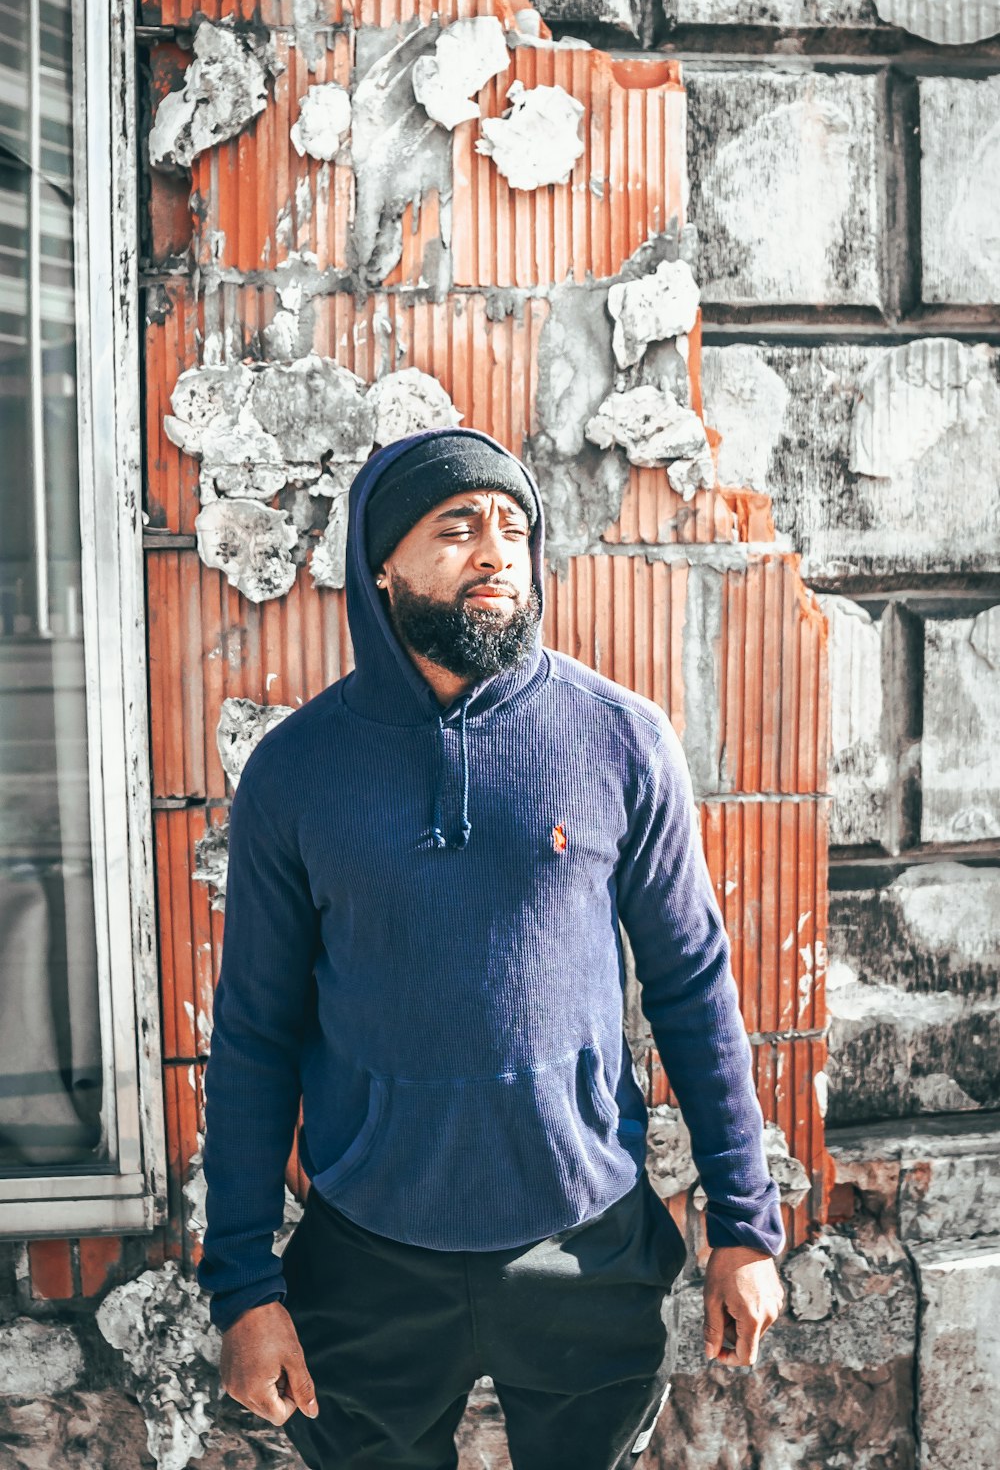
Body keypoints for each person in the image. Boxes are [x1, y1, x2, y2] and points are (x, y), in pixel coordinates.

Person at [198, 426, 785, 1470]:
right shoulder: (296, 774)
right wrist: (243, 1286)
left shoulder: (619, 740)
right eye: (457, 527)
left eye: (514, 529)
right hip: (367, 1258)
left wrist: (744, 1224)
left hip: (585, 1244)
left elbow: (693, 987)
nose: (495, 552)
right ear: (383, 566)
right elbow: (254, 1034)